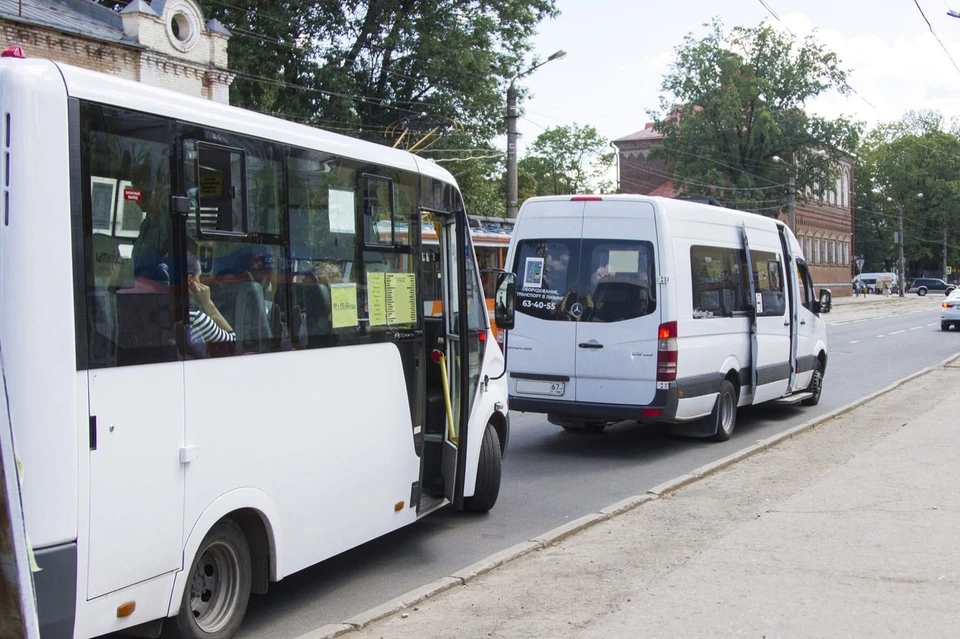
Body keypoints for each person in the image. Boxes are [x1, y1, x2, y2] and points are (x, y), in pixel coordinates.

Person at [186, 252, 235, 343]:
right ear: (190, 280)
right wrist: (207, 302)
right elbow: (232, 343)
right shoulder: (195, 318)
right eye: (199, 276)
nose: (200, 281)